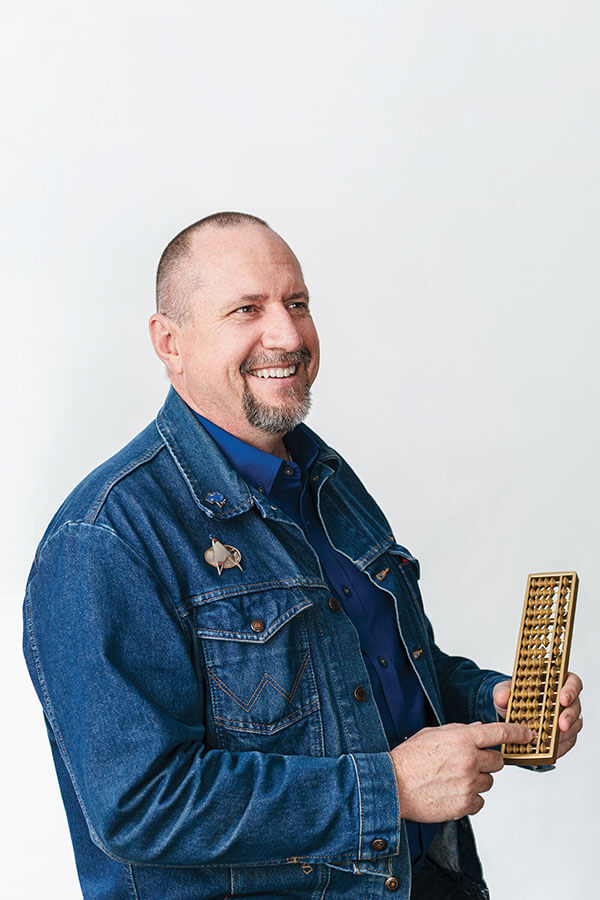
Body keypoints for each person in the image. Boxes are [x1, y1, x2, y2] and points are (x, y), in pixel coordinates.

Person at [23, 212, 583, 899]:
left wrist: (485, 699)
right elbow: (141, 805)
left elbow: (369, 668)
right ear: (169, 342)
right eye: (246, 309)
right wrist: (390, 788)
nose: (287, 335)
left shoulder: (324, 478)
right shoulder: (106, 539)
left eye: (297, 303)